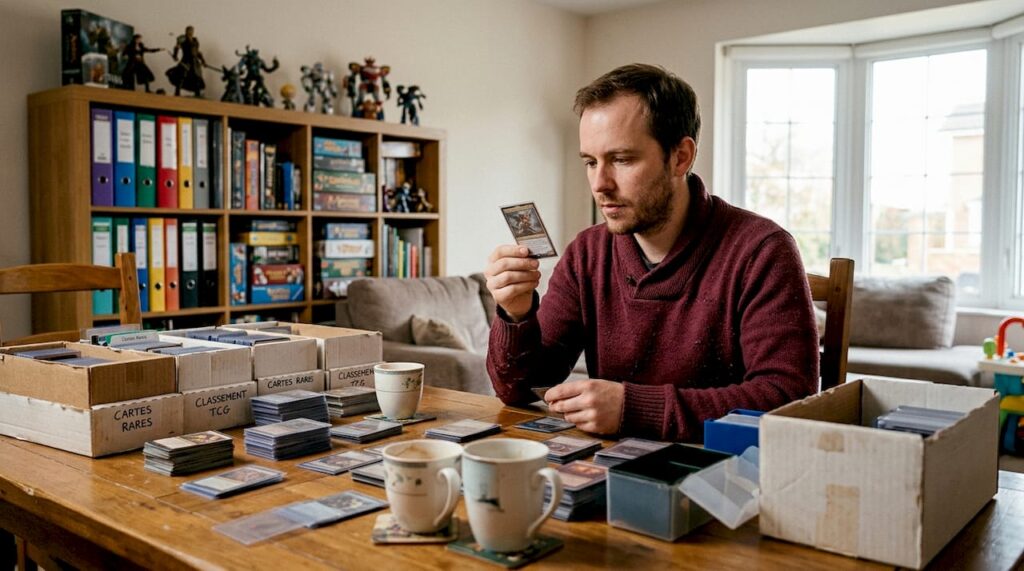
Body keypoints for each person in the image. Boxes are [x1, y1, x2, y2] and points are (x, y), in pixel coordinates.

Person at [484, 64, 818, 442]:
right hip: (605, 470)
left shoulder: (762, 250)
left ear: (681, 157)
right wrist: (516, 314)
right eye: (590, 162)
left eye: (622, 160)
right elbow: (518, 390)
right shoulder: (587, 253)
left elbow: (790, 401)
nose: (600, 184)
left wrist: (633, 409)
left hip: (724, 479)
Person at [166, 26, 207, 97]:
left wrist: (203, 61)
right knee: (182, 75)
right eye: (189, 30)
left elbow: (197, 52)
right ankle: (177, 92)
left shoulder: (195, 40)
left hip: (195, 62)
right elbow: (177, 47)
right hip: (186, 60)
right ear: (186, 31)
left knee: (197, 76)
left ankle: (197, 93)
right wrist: (175, 55)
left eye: (192, 30)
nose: (190, 32)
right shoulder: (182, 38)